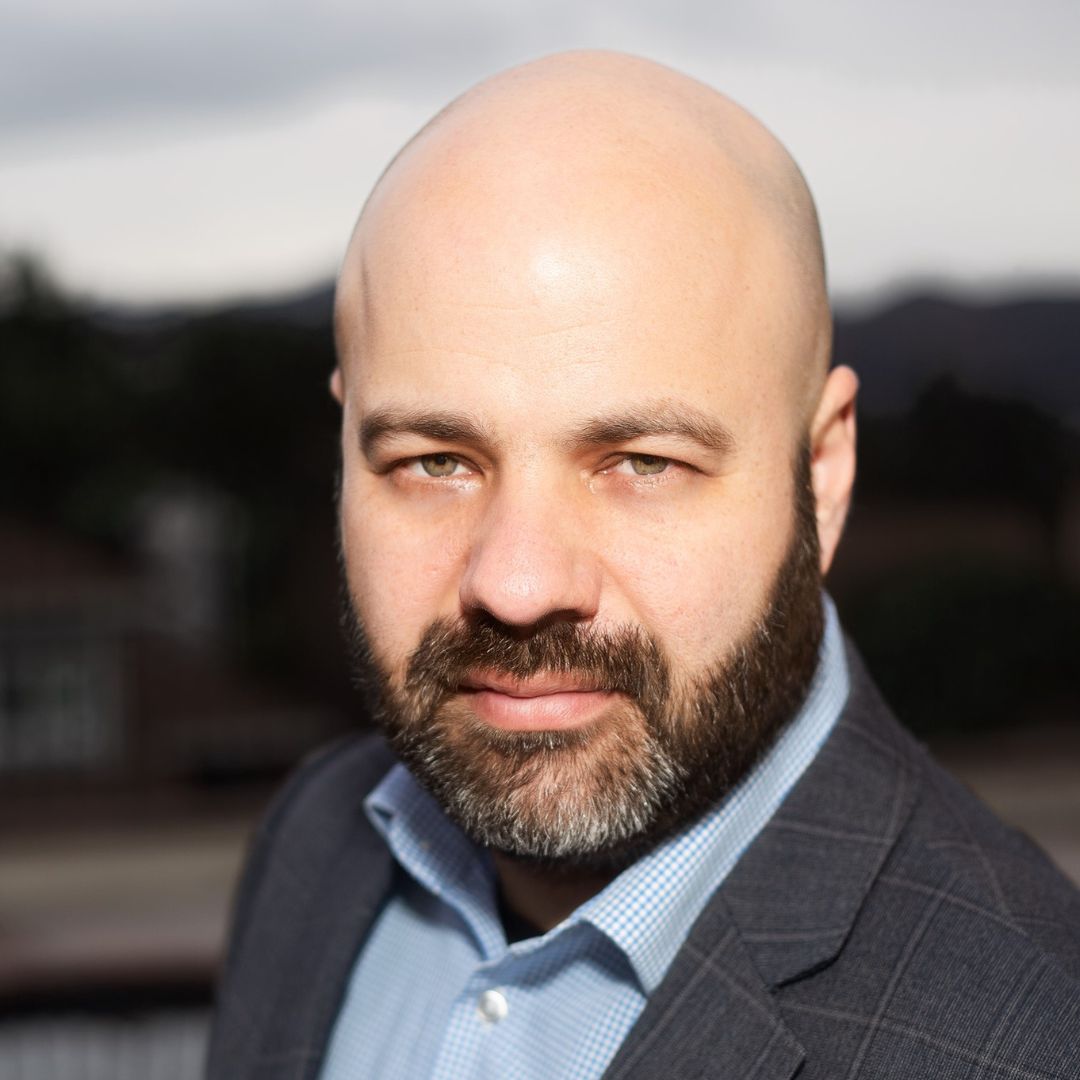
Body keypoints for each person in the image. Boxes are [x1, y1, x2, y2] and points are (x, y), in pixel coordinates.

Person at [207, 51, 1080, 1079]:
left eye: (643, 463)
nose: (517, 586)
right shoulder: (313, 845)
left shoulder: (1027, 1042)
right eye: (435, 461)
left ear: (822, 473)